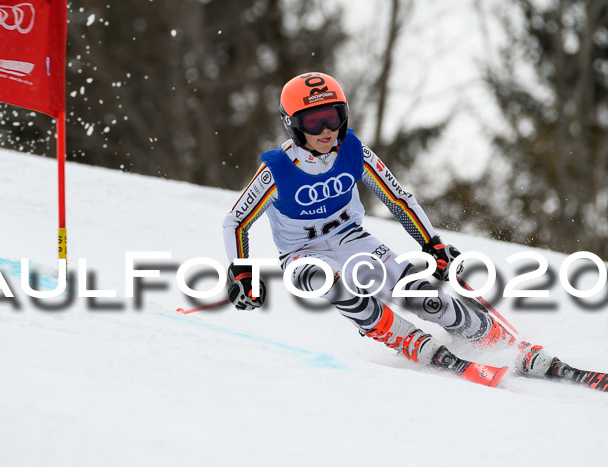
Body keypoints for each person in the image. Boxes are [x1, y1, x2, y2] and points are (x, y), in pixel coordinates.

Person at [222, 72, 552, 376]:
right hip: (300, 255)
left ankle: (486, 335)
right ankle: (406, 338)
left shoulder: (352, 151)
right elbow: (236, 221)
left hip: (351, 239)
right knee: (333, 284)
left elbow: (398, 199)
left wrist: (432, 244)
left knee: (421, 294)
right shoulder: (277, 170)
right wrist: (241, 271)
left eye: (333, 116)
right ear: (292, 124)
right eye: (313, 121)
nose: (326, 129)